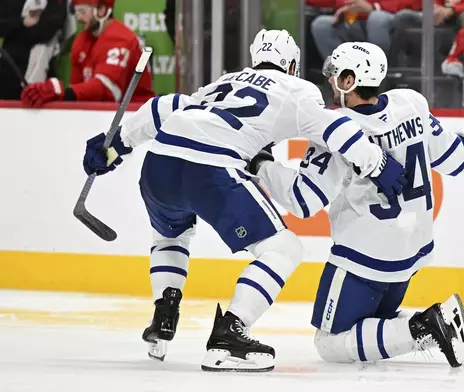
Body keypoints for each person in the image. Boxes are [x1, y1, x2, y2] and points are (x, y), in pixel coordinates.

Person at [81, 29, 407, 372]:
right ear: (292, 65)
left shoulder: (227, 80)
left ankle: (164, 312)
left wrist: (115, 145)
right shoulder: (297, 89)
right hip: (211, 167)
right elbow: (334, 128)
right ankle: (230, 334)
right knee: (283, 249)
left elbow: (165, 106)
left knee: (170, 236)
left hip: (159, 163)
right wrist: (376, 162)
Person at [246, 42, 464, 366]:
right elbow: (457, 157)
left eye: (335, 75)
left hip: (362, 258)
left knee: (329, 343)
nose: (329, 81)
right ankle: (463, 325)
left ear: (348, 81)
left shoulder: (336, 129)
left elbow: (302, 201)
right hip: (411, 252)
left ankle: (428, 324)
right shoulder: (410, 103)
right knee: (375, 327)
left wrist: (260, 166)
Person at [20, 0, 155, 107]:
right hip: (106, 114)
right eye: (76, 11)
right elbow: (78, 88)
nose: (78, 17)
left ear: (101, 10)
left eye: (83, 11)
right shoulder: (82, 40)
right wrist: (61, 93)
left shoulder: (122, 39)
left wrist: (62, 92)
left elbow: (106, 90)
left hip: (135, 115)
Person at [0, 0, 68, 100]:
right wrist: (22, 22)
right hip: (8, 69)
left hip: (42, 66)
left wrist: (16, 31)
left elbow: (50, 27)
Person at [308, 0, 421, 59]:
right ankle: (343, 78)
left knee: (376, 18)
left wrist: (374, 8)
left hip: (393, 18)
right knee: (321, 25)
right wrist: (347, 6)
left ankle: (376, 79)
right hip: (353, 18)